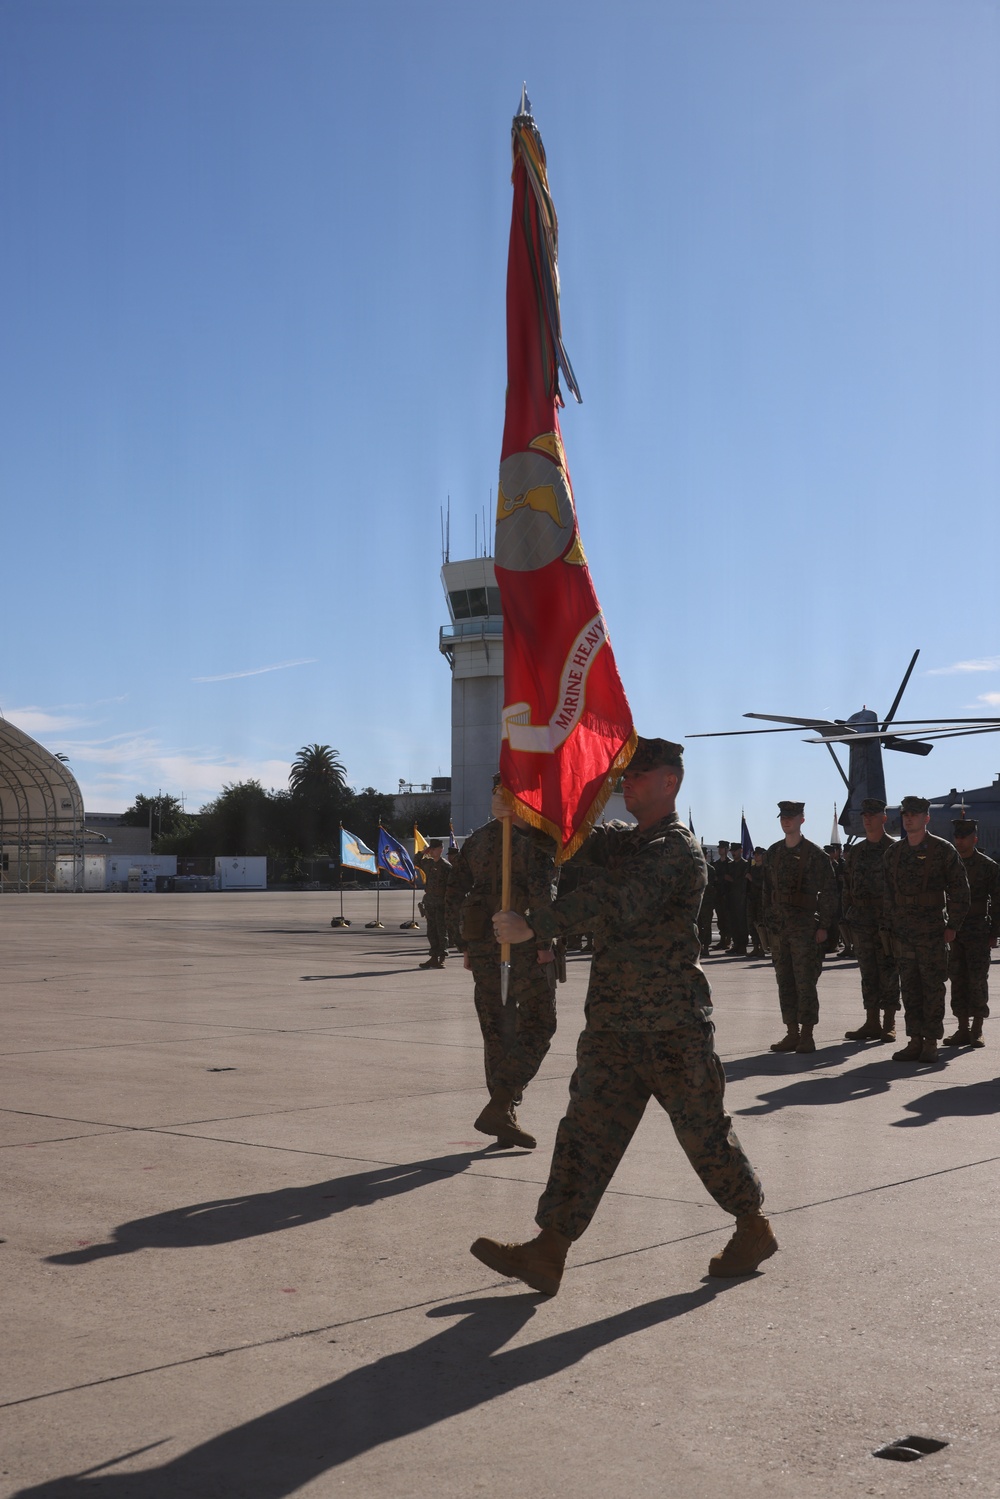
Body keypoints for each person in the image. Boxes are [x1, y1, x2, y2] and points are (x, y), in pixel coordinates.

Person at [470, 737, 776, 1296]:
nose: (625, 785)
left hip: (671, 1029)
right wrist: (522, 808)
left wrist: (537, 924)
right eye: (623, 776)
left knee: (704, 1136)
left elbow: (615, 900)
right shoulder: (626, 841)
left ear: (670, 783)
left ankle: (752, 1225)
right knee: (583, 1137)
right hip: (612, 1027)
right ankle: (549, 1249)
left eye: (637, 776)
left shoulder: (677, 851)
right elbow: (571, 838)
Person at [445, 779, 559, 1149]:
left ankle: (504, 1112)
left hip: (482, 943)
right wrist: (544, 942)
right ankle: (502, 1104)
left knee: (496, 1031)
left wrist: (463, 941)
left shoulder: (477, 840)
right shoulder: (535, 839)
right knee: (539, 1025)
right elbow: (544, 892)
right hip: (522, 941)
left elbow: (454, 890)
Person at [883, 795, 970, 1064]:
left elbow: (960, 891)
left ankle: (931, 1042)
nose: (908, 818)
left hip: (932, 932)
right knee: (909, 987)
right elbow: (887, 894)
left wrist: (952, 925)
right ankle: (915, 1040)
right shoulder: (894, 853)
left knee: (932, 987)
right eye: (905, 814)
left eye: (915, 814)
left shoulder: (942, 850)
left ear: (926, 818)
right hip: (903, 934)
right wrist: (888, 928)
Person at [763, 802, 838, 1054]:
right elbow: (766, 890)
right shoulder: (773, 852)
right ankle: (791, 1033)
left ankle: (807, 1035)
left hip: (805, 928)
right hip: (780, 928)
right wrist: (769, 922)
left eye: (791, 817)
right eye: (783, 817)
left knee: (805, 982)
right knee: (784, 981)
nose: (786, 821)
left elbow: (829, 892)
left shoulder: (815, 855)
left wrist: (824, 926)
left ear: (802, 820)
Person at [842, 797, 900, 1042]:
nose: (867, 819)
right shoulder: (857, 851)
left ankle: (889, 1023)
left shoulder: (894, 849)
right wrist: (848, 914)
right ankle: (871, 1021)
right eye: (864, 815)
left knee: (888, 970)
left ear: (883, 818)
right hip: (862, 920)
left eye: (872, 815)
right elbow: (847, 885)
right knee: (867, 971)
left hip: (886, 921)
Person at [943, 817, 999, 1048]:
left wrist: (994, 932)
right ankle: (962, 1028)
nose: (959, 841)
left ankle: (977, 1029)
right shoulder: (947, 864)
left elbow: (997, 902)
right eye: (957, 837)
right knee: (957, 978)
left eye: (964, 837)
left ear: (974, 839)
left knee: (977, 979)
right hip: (953, 930)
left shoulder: (988, 866)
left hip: (977, 928)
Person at [413, 839, 451, 969]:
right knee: (431, 931)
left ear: (441, 849)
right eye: (432, 849)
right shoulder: (427, 863)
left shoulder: (446, 866)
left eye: (435, 849)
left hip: (441, 902)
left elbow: (451, 886)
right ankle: (433, 957)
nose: (433, 851)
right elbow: (415, 861)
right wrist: (424, 851)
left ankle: (442, 958)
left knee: (442, 931)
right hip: (429, 902)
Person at [723, 841, 750, 955]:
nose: (733, 853)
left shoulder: (745, 865)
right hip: (731, 897)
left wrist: (732, 880)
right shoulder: (730, 865)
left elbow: (744, 881)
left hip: (741, 897)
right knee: (733, 922)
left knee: (741, 922)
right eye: (732, 851)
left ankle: (742, 946)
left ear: (741, 851)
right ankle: (736, 944)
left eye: (736, 851)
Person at [747, 847, 768, 957]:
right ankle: (755, 946)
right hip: (752, 899)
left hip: (761, 900)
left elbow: (763, 885)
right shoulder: (753, 869)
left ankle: (763, 947)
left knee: (761, 925)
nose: (756, 856)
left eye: (758, 854)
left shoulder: (766, 869)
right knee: (752, 923)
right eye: (755, 854)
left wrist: (752, 879)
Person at [711, 841, 732, 950]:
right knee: (720, 919)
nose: (720, 850)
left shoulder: (730, 864)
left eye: (722, 848)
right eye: (719, 848)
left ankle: (728, 940)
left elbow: (731, 879)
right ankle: (722, 940)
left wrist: (721, 878)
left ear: (727, 850)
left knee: (727, 919)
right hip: (718, 895)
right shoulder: (716, 864)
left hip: (727, 895)